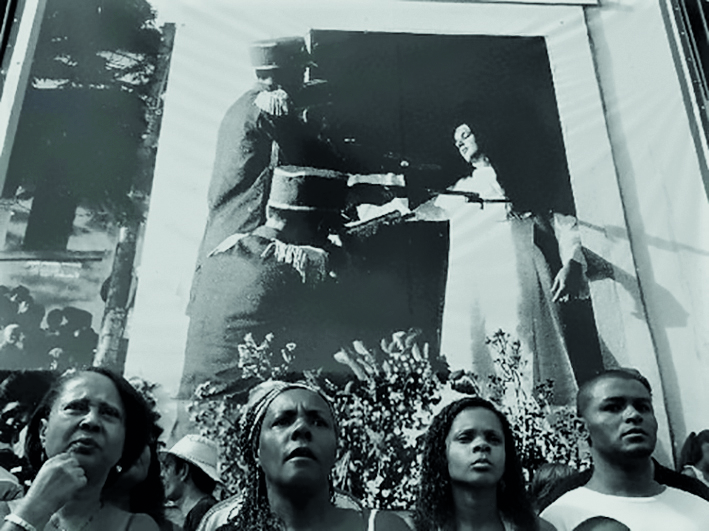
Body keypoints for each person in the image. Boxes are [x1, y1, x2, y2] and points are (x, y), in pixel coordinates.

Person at [416, 119, 603, 404]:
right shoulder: (462, 188)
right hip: (475, 283)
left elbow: (561, 222)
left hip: (517, 274)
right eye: (456, 140)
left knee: (520, 344)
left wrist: (572, 263)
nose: (460, 142)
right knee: (476, 354)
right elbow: (421, 209)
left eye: (466, 134)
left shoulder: (519, 177)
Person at [181, 166, 356, 398]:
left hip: (198, 402)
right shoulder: (300, 263)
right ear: (322, 226)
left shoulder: (222, 251)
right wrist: (348, 267)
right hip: (247, 407)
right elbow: (337, 330)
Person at [198, 380, 409, 531]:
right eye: (282, 421)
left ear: (337, 450)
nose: (301, 428)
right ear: (256, 452)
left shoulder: (381, 527)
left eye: (318, 422)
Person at [540, 369, 709, 530]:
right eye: (613, 407)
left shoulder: (700, 505)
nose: (633, 415)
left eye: (643, 407)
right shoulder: (557, 518)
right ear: (580, 428)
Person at [0, 367, 159, 531]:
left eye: (108, 413)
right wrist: (34, 510)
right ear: (43, 431)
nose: (91, 421)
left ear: (124, 444)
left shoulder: (137, 526)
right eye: (76, 407)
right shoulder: (3, 511)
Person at [412, 395, 554, 531]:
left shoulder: (538, 529)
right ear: (442, 452)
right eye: (465, 438)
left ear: (507, 455)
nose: (482, 445)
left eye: (493, 439)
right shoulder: (411, 528)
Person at [160, 434, 220, 531]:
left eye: (167, 467)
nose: (162, 475)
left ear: (183, 470)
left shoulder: (202, 512)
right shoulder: (202, 512)